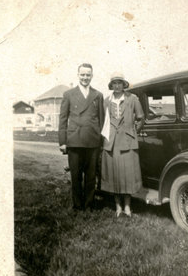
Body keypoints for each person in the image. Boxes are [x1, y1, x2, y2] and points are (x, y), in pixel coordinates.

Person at [59, 63, 104, 210]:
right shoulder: (69, 94)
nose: (85, 77)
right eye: (82, 74)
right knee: (76, 176)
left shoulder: (98, 95)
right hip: (75, 140)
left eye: (88, 75)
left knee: (91, 176)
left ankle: (89, 204)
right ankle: (77, 206)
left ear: (92, 76)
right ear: (78, 75)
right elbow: (63, 119)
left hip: (92, 141)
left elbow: (102, 120)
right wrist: (62, 141)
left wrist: (101, 142)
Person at [101, 72, 144, 217]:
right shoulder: (106, 101)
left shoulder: (132, 99)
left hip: (128, 143)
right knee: (114, 175)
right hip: (111, 143)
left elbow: (140, 118)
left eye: (120, 82)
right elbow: (103, 122)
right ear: (111, 85)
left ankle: (127, 206)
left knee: (128, 176)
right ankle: (118, 206)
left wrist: (132, 132)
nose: (117, 85)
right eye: (115, 83)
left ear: (124, 84)